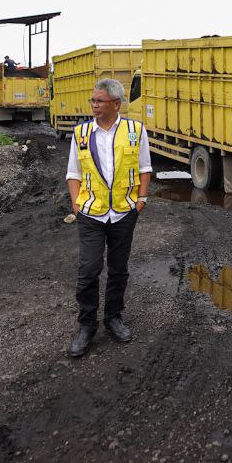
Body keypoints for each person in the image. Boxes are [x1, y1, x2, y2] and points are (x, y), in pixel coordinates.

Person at [65, 78, 152, 357]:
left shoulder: (135, 131)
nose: (93, 105)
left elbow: (144, 168)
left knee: (118, 269)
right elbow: (73, 173)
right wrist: (77, 206)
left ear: (116, 104)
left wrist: (140, 201)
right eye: (92, 100)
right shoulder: (80, 133)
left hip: (124, 214)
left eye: (99, 101)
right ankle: (86, 325)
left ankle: (114, 317)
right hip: (91, 213)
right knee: (88, 270)